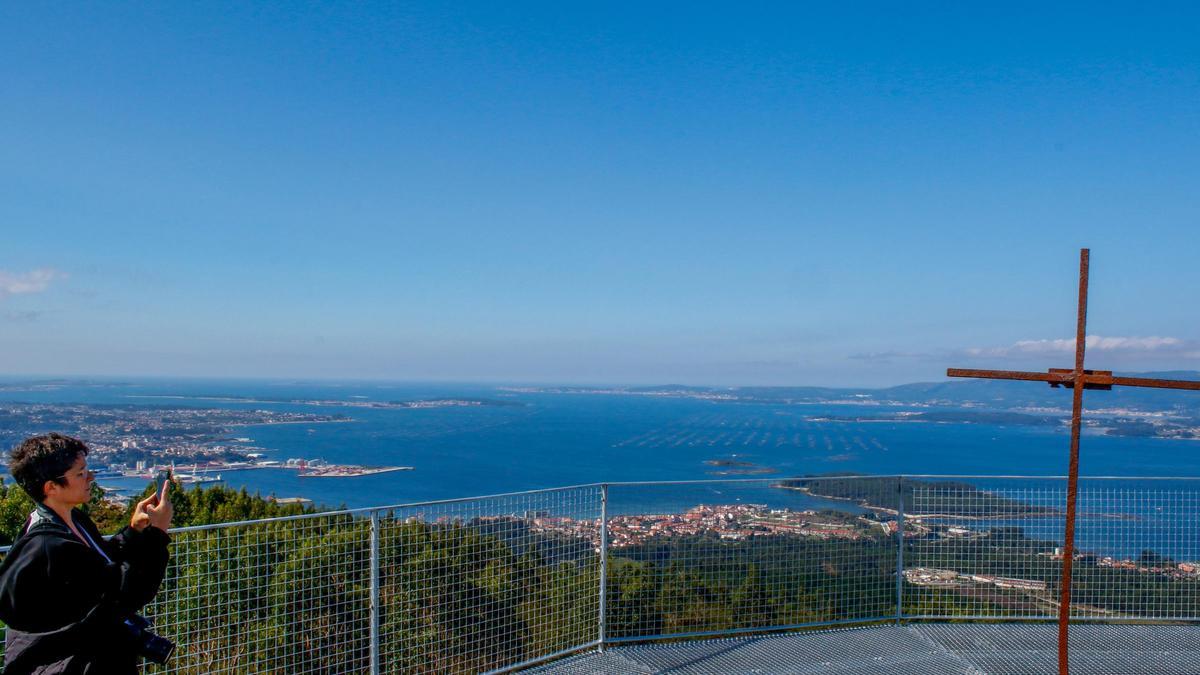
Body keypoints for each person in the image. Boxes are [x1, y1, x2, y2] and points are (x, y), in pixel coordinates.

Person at [0, 433, 173, 674]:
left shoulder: (72, 520)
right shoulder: (48, 545)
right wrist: (159, 533)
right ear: (51, 487)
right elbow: (125, 594)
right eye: (80, 474)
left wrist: (133, 531)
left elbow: (103, 563)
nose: (90, 477)